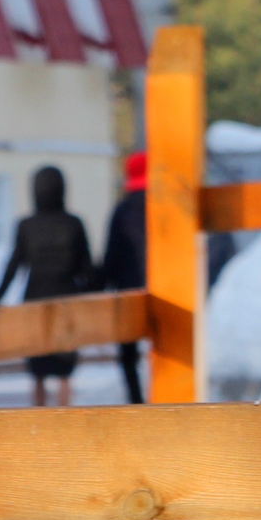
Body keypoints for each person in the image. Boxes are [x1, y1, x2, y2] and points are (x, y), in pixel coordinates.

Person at [0, 164, 96, 406]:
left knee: (37, 372)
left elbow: (13, 267)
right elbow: (88, 269)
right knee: (65, 372)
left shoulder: (26, 225)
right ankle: (65, 420)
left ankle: (38, 420)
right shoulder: (74, 224)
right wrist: (93, 301)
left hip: (34, 300)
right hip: (67, 301)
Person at [101, 151, 148, 403]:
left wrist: (99, 286)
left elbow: (111, 256)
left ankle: (137, 403)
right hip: (166, 289)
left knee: (128, 355)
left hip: (128, 291)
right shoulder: (165, 208)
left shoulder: (122, 210)